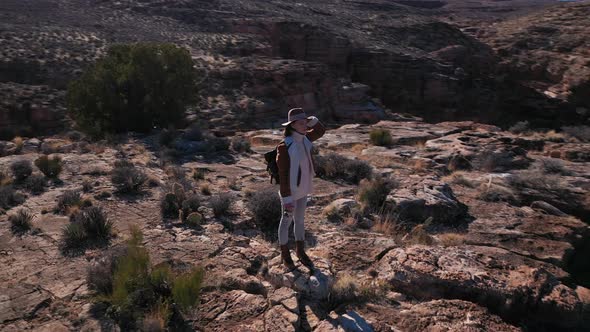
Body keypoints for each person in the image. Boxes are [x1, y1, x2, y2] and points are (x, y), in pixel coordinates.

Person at [276, 108, 326, 270]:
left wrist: (312, 120)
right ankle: (285, 255)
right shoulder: (285, 146)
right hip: (290, 192)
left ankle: (300, 251)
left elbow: (320, 130)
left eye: (306, 123)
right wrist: (286, 198)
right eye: (301, 123)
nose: (305, 126)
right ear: (292, 126)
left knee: (300, 220)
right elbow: (282, 175)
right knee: (286, 222)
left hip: (303, 188)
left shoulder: (306, 139)